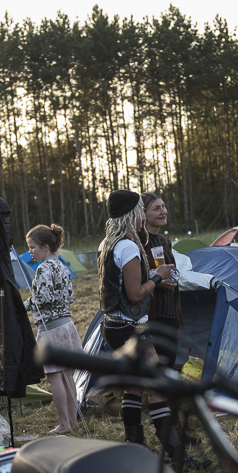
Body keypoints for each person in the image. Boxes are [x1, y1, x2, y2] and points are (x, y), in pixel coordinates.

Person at [97, 189, 183, 456]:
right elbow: (135, 294)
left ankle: (134, 445)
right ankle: (177, 453)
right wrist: (156, 277)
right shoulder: (128, 246)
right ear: (132, 213)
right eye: (138, 211)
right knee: (157, 386)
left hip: (113, 324)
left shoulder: (107, 243)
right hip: (130, 327)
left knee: (133, 387)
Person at [26, 223, 84, 434]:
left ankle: (64, 424)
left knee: (55, 377)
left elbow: (43, 298)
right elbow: (69, 296)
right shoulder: (61, 265)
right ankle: (74, 421)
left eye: (33, 247)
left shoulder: (43, 268)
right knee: (68, 376)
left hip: (51, 329)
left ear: (46, 247)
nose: (30, 251)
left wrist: (26, 304)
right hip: (67, 326)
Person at [139, 192, 182, 369]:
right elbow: (133, 279)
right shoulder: (137, 243)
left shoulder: (165, 241)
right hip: (150, 314)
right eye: (156, 208)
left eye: (163, 206)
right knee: (155, 370)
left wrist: (172, 280)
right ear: (143, 214)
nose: (163, 211)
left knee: (169, 363)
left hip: (170, 311)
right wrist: (155, 279)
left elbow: (168, 269)